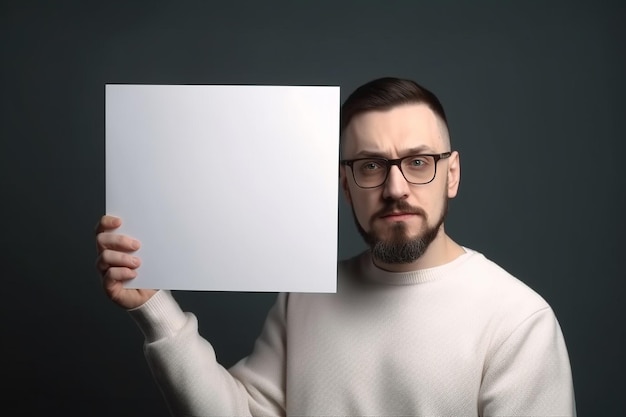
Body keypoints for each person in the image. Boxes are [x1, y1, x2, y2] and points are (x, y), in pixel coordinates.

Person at [95, 77, 577, 416]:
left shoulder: (518, 322)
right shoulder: (305, 297)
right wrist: (155, 309)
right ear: (345, 184)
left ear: (451, 174)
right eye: (370, 166)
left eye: (417, 162)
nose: (395, 188)